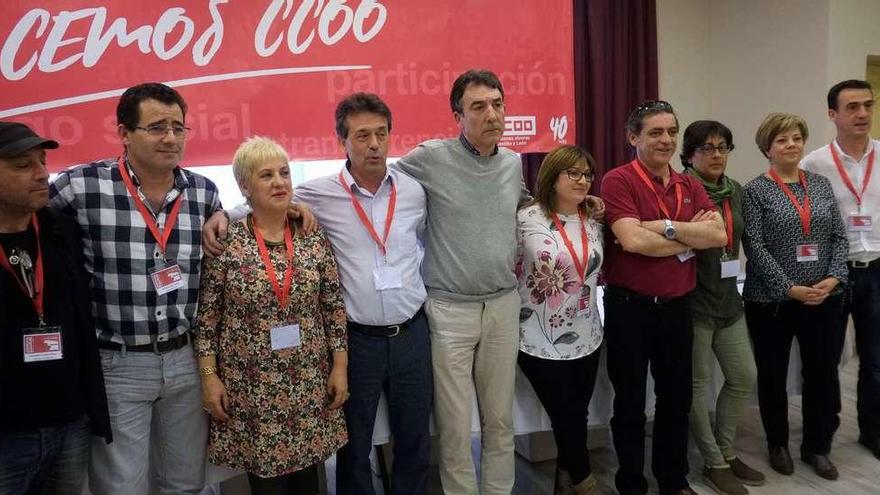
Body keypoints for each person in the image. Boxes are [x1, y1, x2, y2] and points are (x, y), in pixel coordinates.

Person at [48, 82, 222, 494]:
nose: (170, 138)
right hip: (118, 363)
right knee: (121, 486)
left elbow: (244, 217)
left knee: (185, 482)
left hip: (185, 359)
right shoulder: (81, 187)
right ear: (124, 133)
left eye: (178, 127)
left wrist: (258, 209)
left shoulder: (203, 192)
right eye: (156, 127)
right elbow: (23, 222)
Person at [392, 69, 529, 495]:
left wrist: (580, 204)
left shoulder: (511, 162)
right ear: (458, 115)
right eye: (478, 106)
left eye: (497, 104)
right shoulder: (431, 158)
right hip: (450, 310)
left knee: (500, 420)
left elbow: (520, 204)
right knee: (453, 425)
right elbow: (376, 182)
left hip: (503, 305)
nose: (492, 114)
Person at [293, 93, 432, 494]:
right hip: (356, 342)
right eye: (362, 135)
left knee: (415, 437)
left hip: (411, 334)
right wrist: (221, 214)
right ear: (343, 142)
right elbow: (264, 203)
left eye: (381, 133)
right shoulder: (318, 194)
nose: (374, 144)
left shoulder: (413, 191)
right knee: (353, 443)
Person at [195, 136, 348, 494]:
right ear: (245, 186)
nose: (279, 182)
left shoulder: (311, 234)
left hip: (309, 381)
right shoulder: (227, 240)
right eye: (266, 175)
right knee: (266, 485)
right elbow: (208, 319)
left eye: (283, 172)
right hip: (251, 387)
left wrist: (340, 367)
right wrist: (209, 377)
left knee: (310, 482)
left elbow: (333, 308)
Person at [601, 100, 726, 495]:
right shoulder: (617, 180)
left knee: (676, 401)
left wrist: (666, 228)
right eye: (655, 132)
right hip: (630, 309)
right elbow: (632, 240)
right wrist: (689, 234)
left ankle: (673, 479)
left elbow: (719, 236)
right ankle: (632, 482)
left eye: (671, 131)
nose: (666, 140)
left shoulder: (689, 183)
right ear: (633, 137)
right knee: (631, 404)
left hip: (678, 309)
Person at [0, 122, 111, 494]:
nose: (42, 173)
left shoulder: (60, 230)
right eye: (22, 165)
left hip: (68, 423)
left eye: (43, 161)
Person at [742, 112, 848, 480]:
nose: (791, 145)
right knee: (772, 376)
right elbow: (753, 246)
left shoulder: (820, 185)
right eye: (782, 140)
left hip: (822, 298)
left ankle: (817, 447)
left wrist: (833, 278)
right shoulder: (754, 191)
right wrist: (788, 288)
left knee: (821, 375)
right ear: (767, 148)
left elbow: (838, 235)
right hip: (772, 301)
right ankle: (778, 443)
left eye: (796, 138)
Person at [679, 121, 764, 494]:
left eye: (723, 147)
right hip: (693, 301)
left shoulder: (736, 192)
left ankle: (726, 451)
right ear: (690, 154)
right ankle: (714, 461)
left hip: (729, 298)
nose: (716, 155)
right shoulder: (680, 190)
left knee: (744, 375)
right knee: (696, 386)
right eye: (707, 148)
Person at [515, 145, 603, 495]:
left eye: (587, 174)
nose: (583, 181)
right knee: (565, 415)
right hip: (536, 337)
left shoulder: (594, 220)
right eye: (574, 173)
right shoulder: (524, 219)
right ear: (553, 178)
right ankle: (585, 481)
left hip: (587, 334)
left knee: (576, 417)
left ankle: (564, 483)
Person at [801, 79, 880, 461]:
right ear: (833, 115)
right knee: (825, 361)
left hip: (877, 269)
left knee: (876, 360)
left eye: (867, 105)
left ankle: (873, 431)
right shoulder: (813, 164)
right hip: (833, 271)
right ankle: (820, 442)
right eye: (852, 107)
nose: (863, 113)